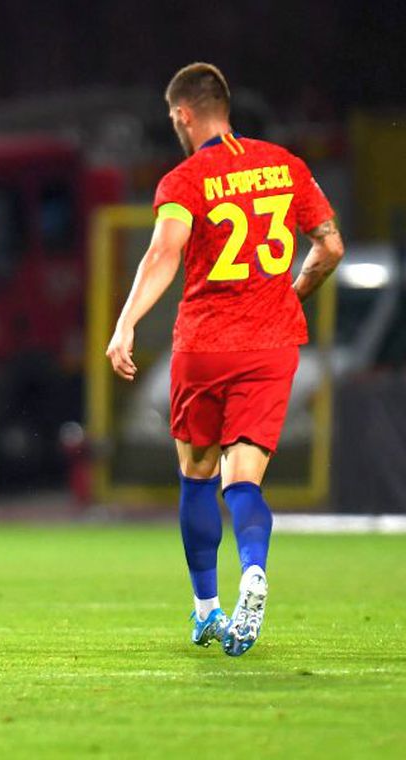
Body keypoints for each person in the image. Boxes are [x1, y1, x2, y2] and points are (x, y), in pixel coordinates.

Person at [106, 63, 343, 656]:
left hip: (206, 347)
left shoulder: (186, 179)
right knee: (244, 483)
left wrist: (126, 323)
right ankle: (255, 572)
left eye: (172, 119)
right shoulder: (285, 165)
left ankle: (207, 609)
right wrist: (289, 295)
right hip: (271, 348)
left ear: (184, 114)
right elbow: (330, 245)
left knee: (196, 476)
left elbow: (164, 252)